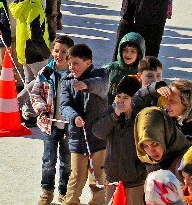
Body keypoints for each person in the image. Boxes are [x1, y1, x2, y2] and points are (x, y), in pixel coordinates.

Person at [58, 43, 110, 205]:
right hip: (77, 138)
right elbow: (64, 105)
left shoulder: (100, 74)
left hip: (98, 137)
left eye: (76, 63)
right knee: (76, 177)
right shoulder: (66, 79)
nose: (72, 67)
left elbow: (101, 86)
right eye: (70, 63)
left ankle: (98, 202)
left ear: (88, 62)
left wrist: (86, 85)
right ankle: (70, 202)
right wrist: (74, 117)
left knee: (98, 177)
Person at [30, 35, 75, 205]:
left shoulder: (74, 75)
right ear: (51, 51)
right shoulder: (46, 73)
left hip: (69, 126)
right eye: (56, 50)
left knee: (67, 162)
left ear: (70, 54)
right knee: (48, 160)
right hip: (49, 125)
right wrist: (41, 111)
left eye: (64, 52)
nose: (60, 55)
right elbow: (35, 94)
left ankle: (64, 193)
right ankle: (47, 191)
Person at [92, 77, 147, 205]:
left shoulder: (140, 117)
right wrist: (114, 115)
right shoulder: (112, 112)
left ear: (134, 99)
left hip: (134, 180)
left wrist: (139, 169)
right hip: (113, 177)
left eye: (126, 98)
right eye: (119, 96)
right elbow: (98, 132)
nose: (121, 101)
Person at [134, 79, 192, 148]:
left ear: (187, 104)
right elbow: (135, 105)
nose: (166, 104)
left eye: (172, 101)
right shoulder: (163, 120)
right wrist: (154, 89)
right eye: (166, 99)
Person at [135, 107, 192, 176]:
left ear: (166, 136)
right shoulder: (146, 164)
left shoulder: (188, 162)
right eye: (145, 146)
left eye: (155, 144)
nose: (151, 151)